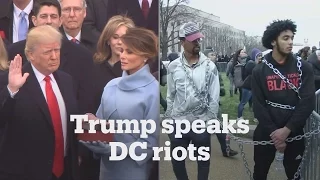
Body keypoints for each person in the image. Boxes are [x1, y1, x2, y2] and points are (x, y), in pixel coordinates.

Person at [0, 25, 80, 180]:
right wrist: (12, 90)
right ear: (31, 55)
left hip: (64, 171)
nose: (54, 56)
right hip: (25, 173)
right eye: (47, 52)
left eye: (56, 50)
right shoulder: (10, 81)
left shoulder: (66, 80)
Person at [81, 27, 159, 180]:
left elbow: (150, 144)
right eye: (122, 50)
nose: (122, 56)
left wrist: (114, 149)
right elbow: (99, 128)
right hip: (106, 170)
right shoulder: (111, 85)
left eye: (129, 52)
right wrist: (89, 125)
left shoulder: (153, 91)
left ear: (146, 56)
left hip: (134, 171)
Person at [252, 19, 315, 180]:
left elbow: (308, 102)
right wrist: (275, 133)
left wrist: (286, 130)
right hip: (266, 130)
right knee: (260, 172)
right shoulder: (260, 70)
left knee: (294, 174)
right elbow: (258, 105)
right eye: (285, 38)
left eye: (292, 38)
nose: (291, 42)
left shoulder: (304, 67)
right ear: (273, 41)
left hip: (294, 130)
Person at [165, 22, 220, 180]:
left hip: (201, 122)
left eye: (198, 39)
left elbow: (214, 97)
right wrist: (169, 120)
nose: (197, 42)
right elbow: (171, 95)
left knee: (203, 162)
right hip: (178, 122)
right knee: (177, 161)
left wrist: (210, 123)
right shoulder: (173, 67)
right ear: (182, 42)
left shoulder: (210, 67)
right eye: (193, 40)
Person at [203, 47, 238, 157]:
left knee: (220, 127)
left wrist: (221, 90)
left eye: (215, 54)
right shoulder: (201, 69)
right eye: (212, 55)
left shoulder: (215, 67)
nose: (215, 56)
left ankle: (226, 150)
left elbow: (219, 83)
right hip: (203, 104)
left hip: (215, 103)